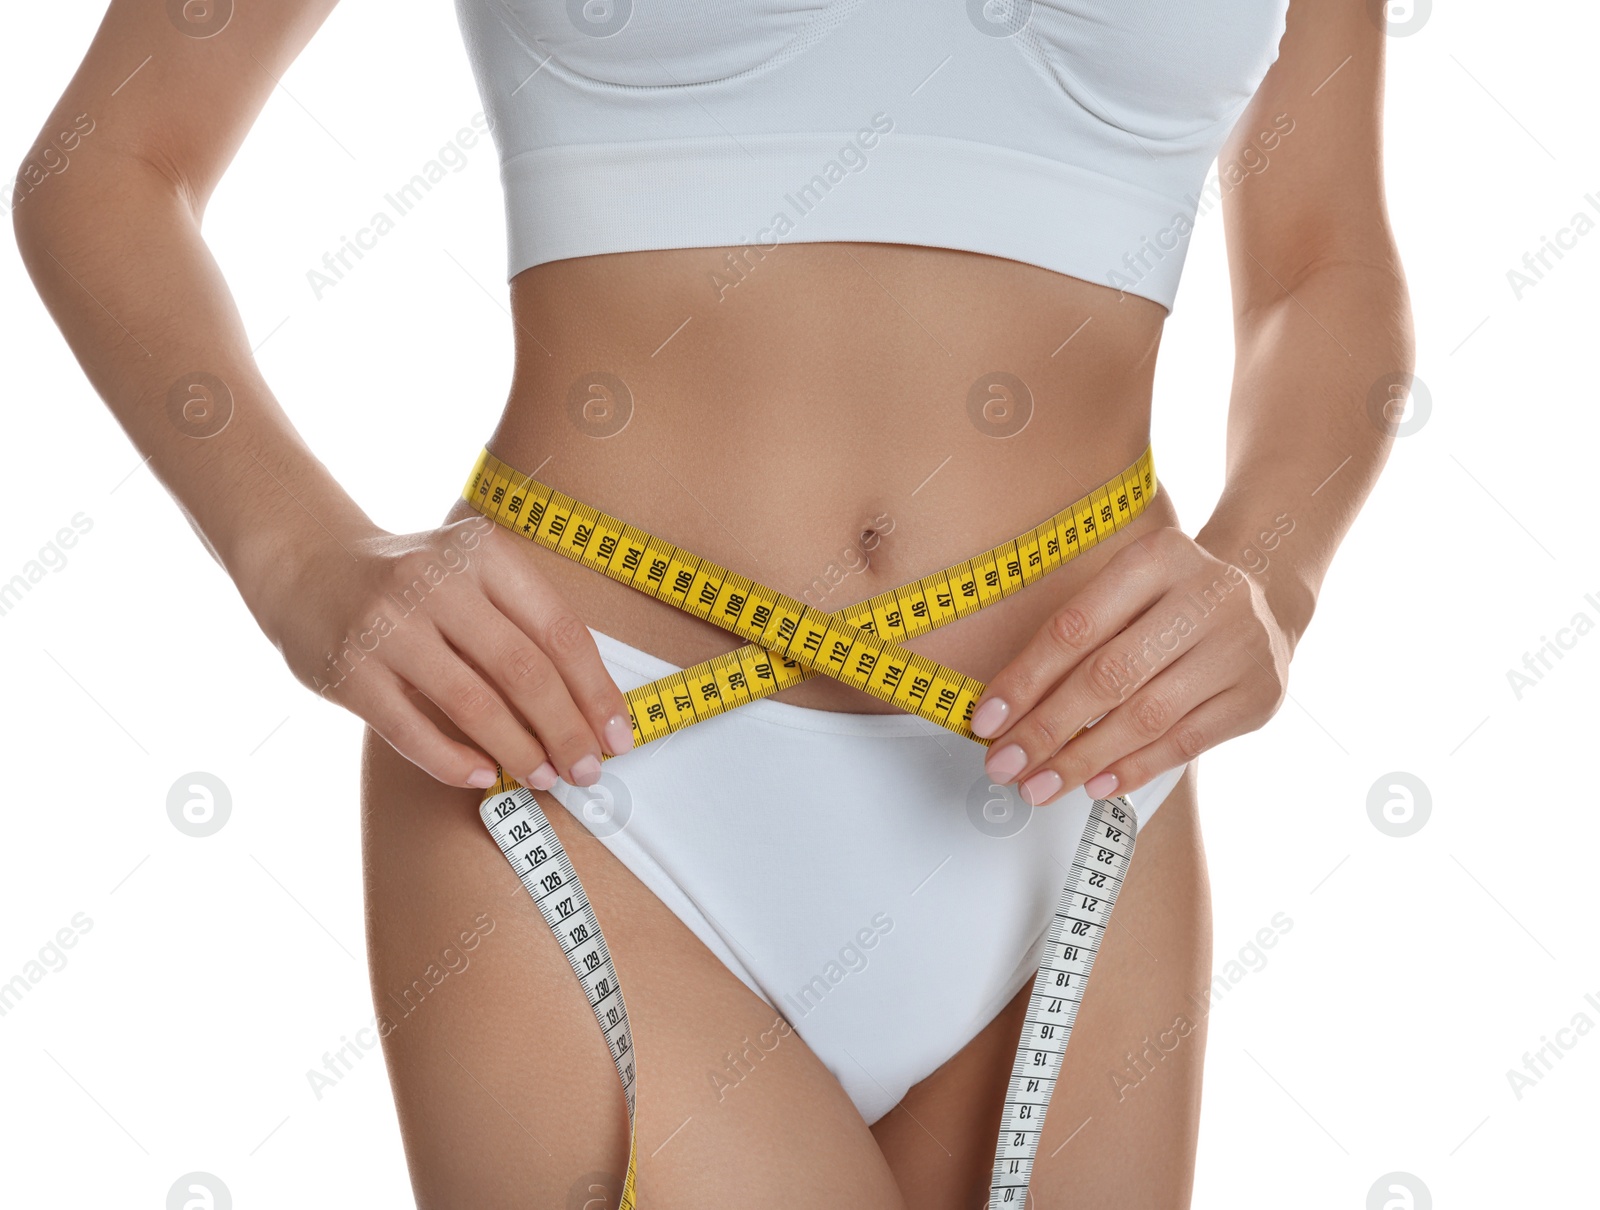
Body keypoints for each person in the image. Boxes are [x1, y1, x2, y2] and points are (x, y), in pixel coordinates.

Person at [12, 0, 1411, 1204]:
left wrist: (1271, 571)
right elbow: (106, 170)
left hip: (1082, 765)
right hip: (579, 741)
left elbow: (1321, 257)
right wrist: (295, 558)